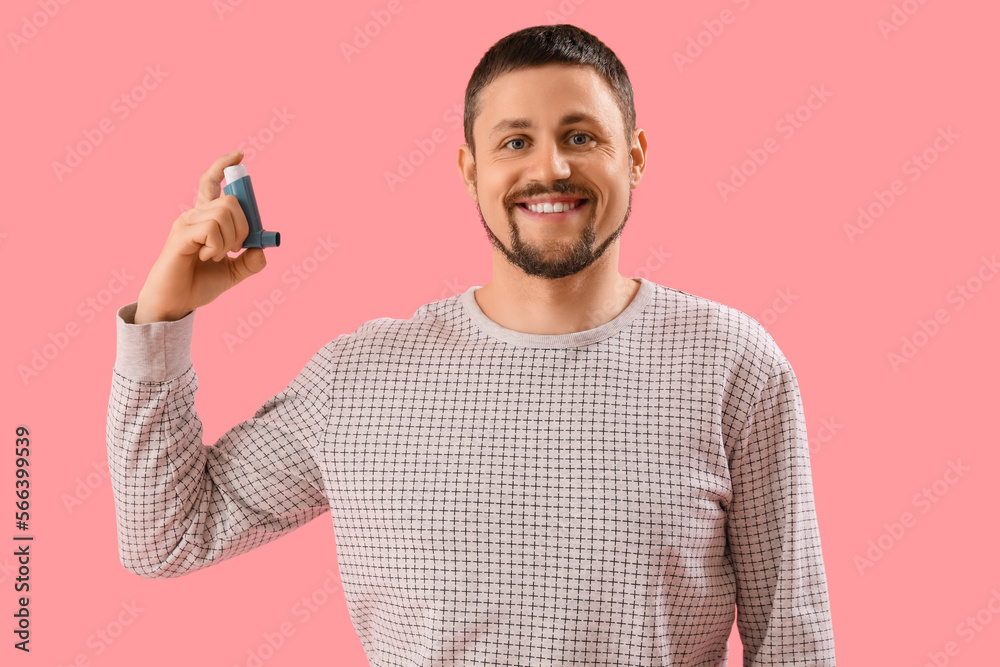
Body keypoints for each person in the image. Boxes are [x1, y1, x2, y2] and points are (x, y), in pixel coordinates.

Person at [107, 24, 835, 666]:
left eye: (581, 136)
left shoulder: (732, 364)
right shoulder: (359, 380)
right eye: (515, 141)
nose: (550, 168)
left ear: (636, 156)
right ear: (470, 170)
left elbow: (794, 644)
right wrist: (164, 315)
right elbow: (167, 535)